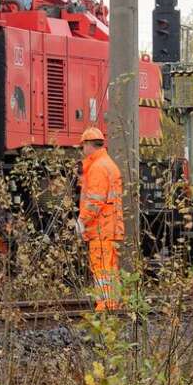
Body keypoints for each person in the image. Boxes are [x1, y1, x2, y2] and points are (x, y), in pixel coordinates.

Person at [77, 125, 124, 310]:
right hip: (110, 228)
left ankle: (105, 307)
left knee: (101, 269)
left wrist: (82, 220)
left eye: (83, 146)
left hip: (100, 229)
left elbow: (94, 201)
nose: (82, 150)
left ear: (89, 144)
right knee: (110, 270)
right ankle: (111, 304)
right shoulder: (110, 165)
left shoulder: (97, 167)